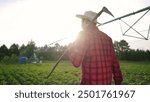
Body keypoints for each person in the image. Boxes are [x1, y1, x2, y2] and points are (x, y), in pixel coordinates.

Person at [68, 11, 123, 85]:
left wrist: (71, 48)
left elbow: (76, 62)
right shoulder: (107, 38)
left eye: (82, 21)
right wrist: (118, 80)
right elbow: (115, 63)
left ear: (86, 22)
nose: (81, 23)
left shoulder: (83, 35)